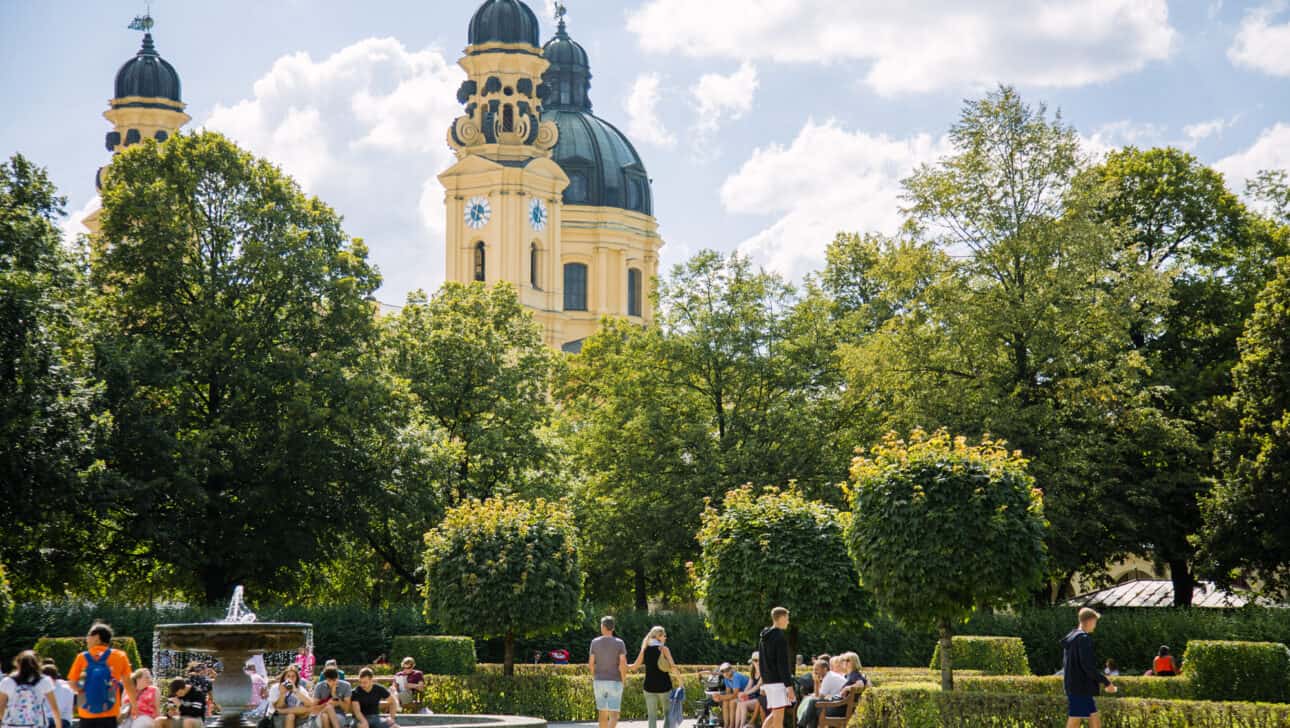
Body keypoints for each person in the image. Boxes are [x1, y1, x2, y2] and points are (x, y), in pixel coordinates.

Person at [68, 623, 137, 728]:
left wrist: (86, 690)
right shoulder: (120, 656)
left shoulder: (82, 657)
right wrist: (134, 705)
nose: (87, 639)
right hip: (110, 710)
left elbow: (72, 684)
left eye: (88, 635)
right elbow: (128, 684)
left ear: (96, 637)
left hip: (86, 711)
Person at [1061, 608, 1117, 728]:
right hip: (1080, 687)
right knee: (1074, 720)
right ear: (1090, 621)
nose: (1095, 626)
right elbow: (1088, 667)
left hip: (1075, 685)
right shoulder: (1083, 639)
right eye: (1095, 623)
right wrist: (1106, 682)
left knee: (1094, 718)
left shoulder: (1072, 637)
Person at [1, 651, 61, 728]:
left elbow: (1, 706)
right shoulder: (45, 681)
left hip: (12, 725)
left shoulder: (7, 681)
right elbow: (54, 708)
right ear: (37, 664)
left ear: (17, 663)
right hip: (37, 724)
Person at [631, 626, 674, 728]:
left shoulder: (645, 649)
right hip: (665, 686)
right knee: (668, 715)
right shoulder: (664, 649)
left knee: (652, 716)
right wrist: (681, 682)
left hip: (649, 687)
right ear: (658, 636)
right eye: (664, 635)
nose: (665, 638)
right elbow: (673, 667)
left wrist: (623, 666)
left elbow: (635, 666)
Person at [588, 616, 628, 728]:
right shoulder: (620, 643)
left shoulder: (594, 642)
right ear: (613, 628)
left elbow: (591, 664)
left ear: (603, 627)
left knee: (602, 714)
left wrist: (594, 676)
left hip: (599, 681)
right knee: (614, 715)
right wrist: (623, 680)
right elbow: (623, 664)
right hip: (615, 681)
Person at [758, 608, 794, 728]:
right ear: (782, 618)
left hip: (769, 682)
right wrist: (789, 686)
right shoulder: (780, 637)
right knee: (778, 719)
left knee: (774, 714)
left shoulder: (763, 637)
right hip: (778, 683)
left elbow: (761, 663)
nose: (788, 622)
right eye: (787, 619)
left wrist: (764, 681)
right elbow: (782, 665)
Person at [734, 654, 761, 728]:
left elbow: (757, 687)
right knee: (739, 703)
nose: (758, 662)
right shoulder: (753, 672)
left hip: (760, 698)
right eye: (755, 661)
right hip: (753, 697)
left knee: (743, 704)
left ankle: (742, 726)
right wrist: (743, 694)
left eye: (759, 660)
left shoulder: (764, 673)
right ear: (752, 662)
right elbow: (749, 686)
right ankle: (737, 726)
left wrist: (744, 693)